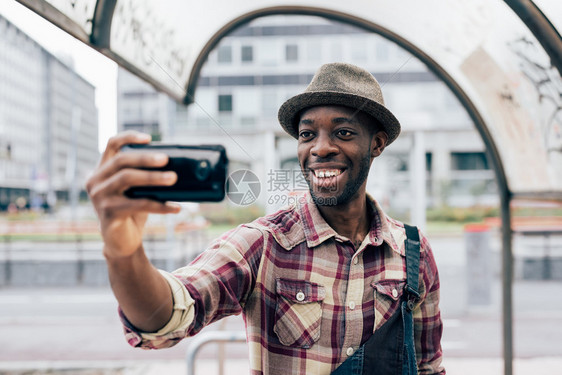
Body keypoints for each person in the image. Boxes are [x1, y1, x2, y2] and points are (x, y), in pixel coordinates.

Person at [86, 62, 445, 374]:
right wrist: (123, 250)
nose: (320, 148)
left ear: (377, 144)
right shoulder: (264, 243)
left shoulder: (412, 252)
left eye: (343, 132)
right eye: (307, 134)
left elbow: (428, 366)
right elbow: (166, 318)